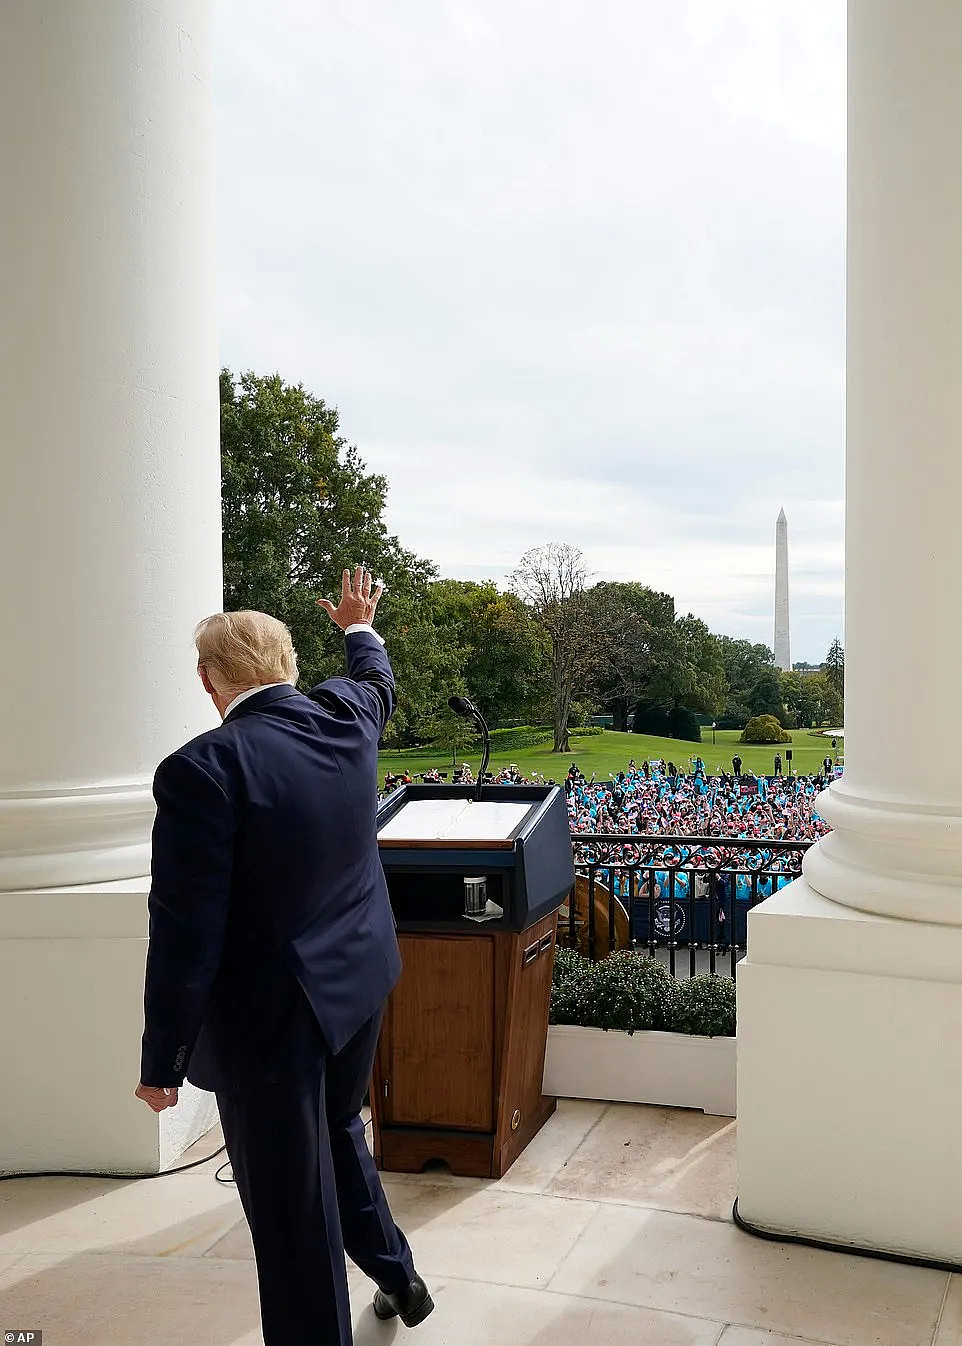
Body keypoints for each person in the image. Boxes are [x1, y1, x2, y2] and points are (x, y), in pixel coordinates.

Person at [136, 568, 432, 1346]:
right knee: (338, 1131)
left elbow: (184, 931)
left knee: (289, 1212)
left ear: (209, 682)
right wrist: (358, 625)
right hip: (357, 986)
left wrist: (162, 1058)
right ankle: (400, 1278)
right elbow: (376, 677)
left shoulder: (201, 769)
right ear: (290, 666)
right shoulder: (347, 717)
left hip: (271, 1023)